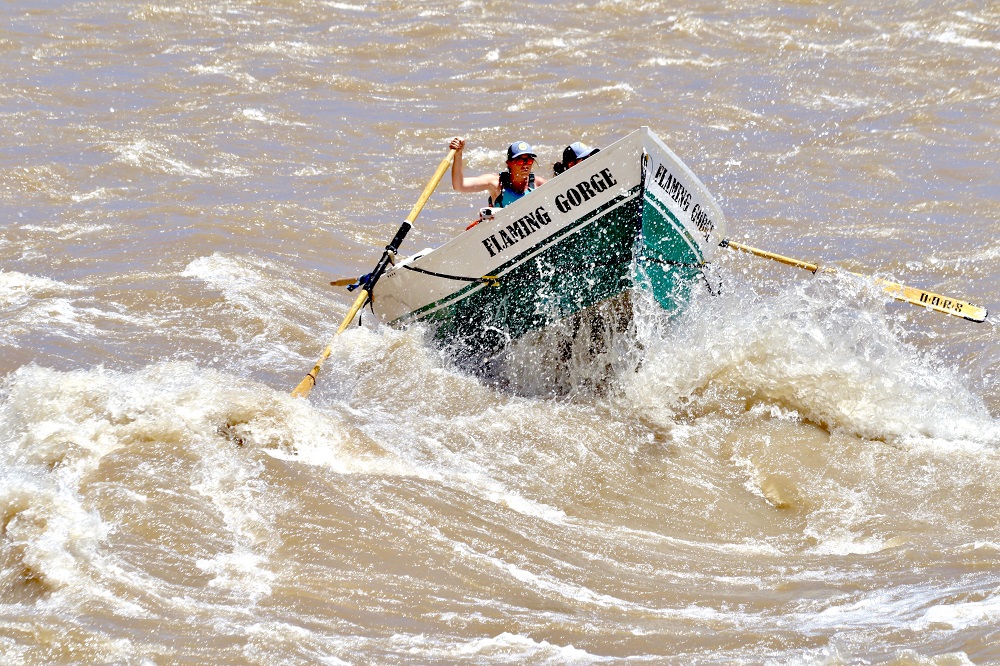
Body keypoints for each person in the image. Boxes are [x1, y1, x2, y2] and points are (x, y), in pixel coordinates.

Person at [447, 137, 547, 209]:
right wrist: (458, 154)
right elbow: (459, 185)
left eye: (529, 161)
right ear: (509, 163)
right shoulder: (496, 184)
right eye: (519, 161)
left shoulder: (539, 184)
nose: (525, 165)